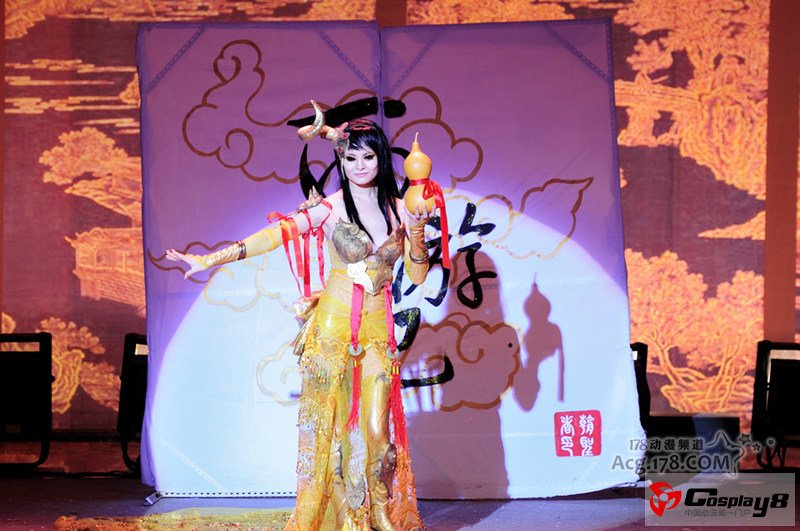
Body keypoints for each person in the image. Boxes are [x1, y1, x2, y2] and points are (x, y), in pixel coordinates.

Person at [166, 116, 431, 530]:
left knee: (379, 435)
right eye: (350, 157)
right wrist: (209, 259)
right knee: (334, 433)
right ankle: (347, 517)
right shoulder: (329, 208)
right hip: (331, 331)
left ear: (382, 158)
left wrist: (416, 234)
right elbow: (274, 236)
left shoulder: (400, 209)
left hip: (378, 333)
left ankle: (379, 510)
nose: (359, 165)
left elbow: (416, 275)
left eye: (368, 156)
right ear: (340, 159)